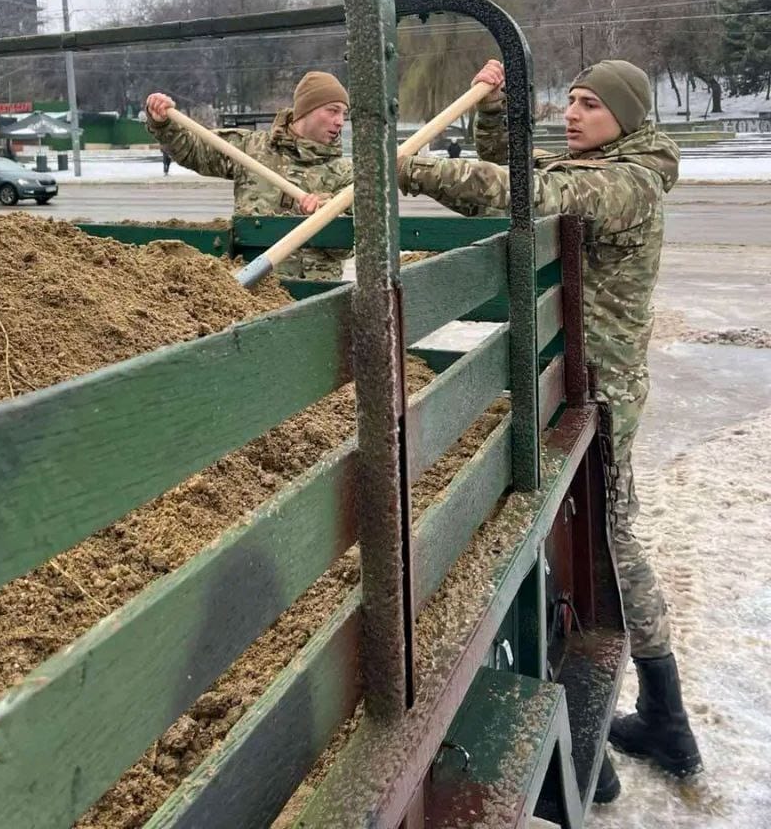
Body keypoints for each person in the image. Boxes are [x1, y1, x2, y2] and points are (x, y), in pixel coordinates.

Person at [397, 58, 702, 802]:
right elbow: (517, 164)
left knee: (606, 547)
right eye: (569, 100)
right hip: (577, 383)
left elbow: (527, 192)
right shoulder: (602, 166)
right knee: (583, 541)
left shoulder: (627, 184)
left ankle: (645, 721)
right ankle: (650, 719)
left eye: (590, 104)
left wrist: (410, 169)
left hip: (601, 395)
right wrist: (495, 107)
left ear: (625, 117)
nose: (572, 113)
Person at [145, 71, 352, 280]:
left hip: (313, 292)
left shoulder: (346, 173)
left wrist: (328, 215)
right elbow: (193, 150)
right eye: (333, 111)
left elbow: (351, 245)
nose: (340, 121)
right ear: (306, 110)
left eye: (344, 113)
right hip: (249, 289)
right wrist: (164, 124)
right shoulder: (251, 148)